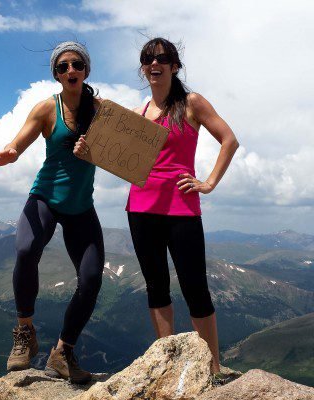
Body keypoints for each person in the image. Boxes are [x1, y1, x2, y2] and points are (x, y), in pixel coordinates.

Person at [75, 37, 239, 386]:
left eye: (162, 58)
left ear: (174, 66)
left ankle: (213, 369)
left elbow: (229, 139)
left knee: (196, 288)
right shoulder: (139, 114)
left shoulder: (191, 103)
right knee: (156, 286)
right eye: (147, 59)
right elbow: (115, 159)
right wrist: (87, 150)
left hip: (182, 208)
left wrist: (208, 182)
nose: (154, 64)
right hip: (141, 208)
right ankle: (167, 361)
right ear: (143, 67)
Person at [0, 41, 104, 384]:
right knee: (25, 249)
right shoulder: (45, 109)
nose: (71, 70)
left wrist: (94, 149)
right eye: (63, 66)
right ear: (56, 74)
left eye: (77, 64)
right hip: (45, 198)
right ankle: (25, 332)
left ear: (86, 70)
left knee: (92, 279)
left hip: (81, 206)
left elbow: (121, 154)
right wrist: (10, 151)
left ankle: (62, 352)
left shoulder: (102, 111)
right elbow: (19, 142)